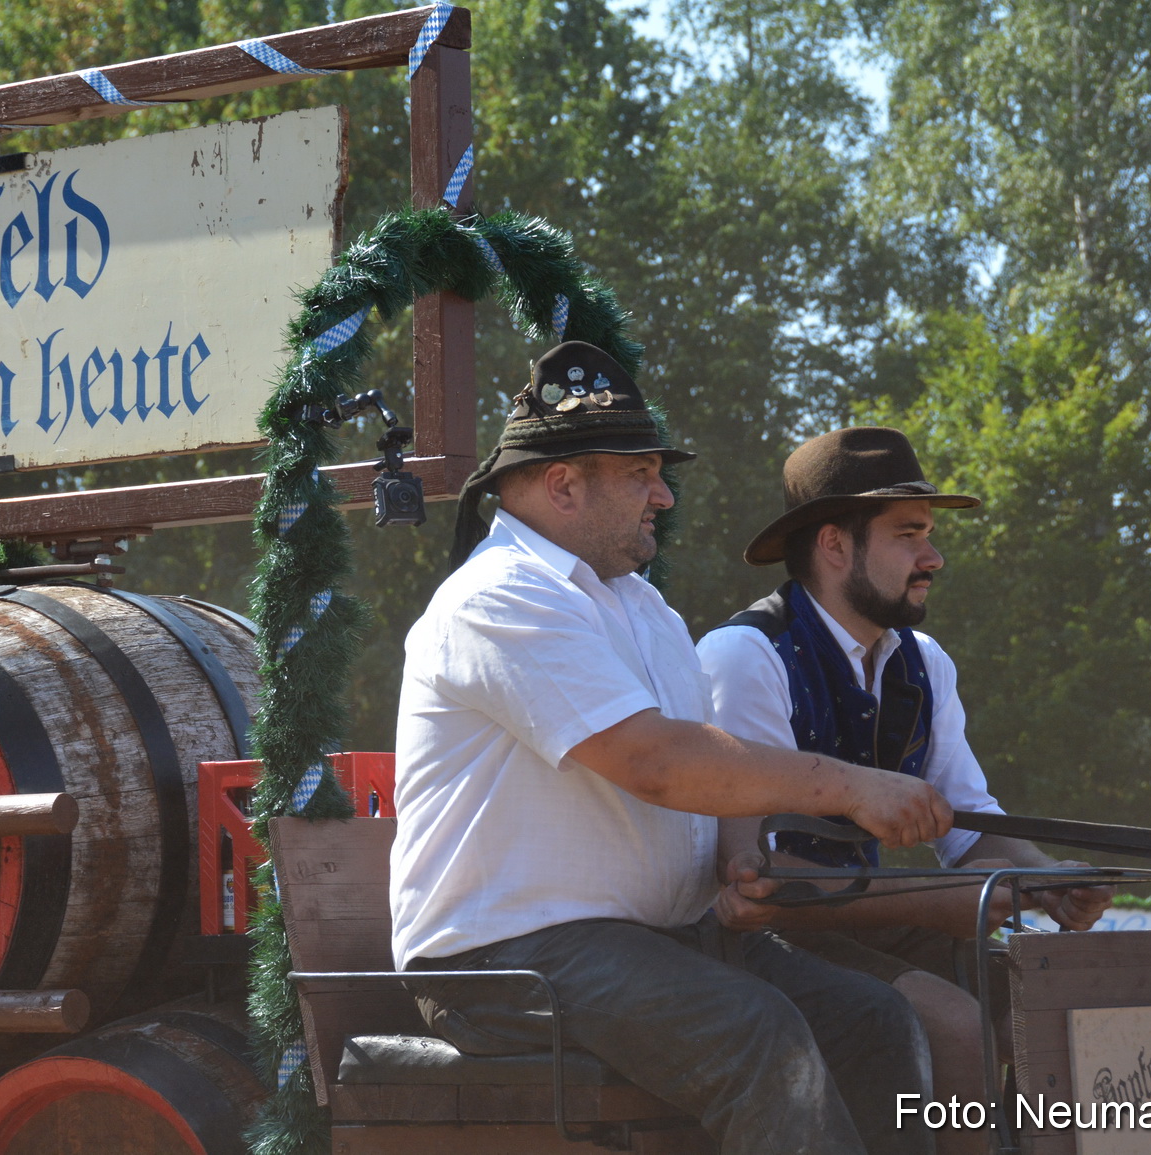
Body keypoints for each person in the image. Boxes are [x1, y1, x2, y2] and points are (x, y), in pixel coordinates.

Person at [392, 344, 950, 1155]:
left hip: (653, 940)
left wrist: (737, 856)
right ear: (563, 485)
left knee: (876, 1018)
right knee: (759, 1033)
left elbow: (707, 767)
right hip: (502, 960)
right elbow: (656, 763)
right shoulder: (498, 596)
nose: (664, 495)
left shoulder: (641, 605)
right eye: (641, 474)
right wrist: (852, 786)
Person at [696, 426, 1114, 1153]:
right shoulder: (746, 656)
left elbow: (971, 827)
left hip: (868, 922)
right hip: (764, 939)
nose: (933, 557)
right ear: (835, 545)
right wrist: (960, 899)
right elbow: (755, 875)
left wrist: (1044, 878)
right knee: (956, 1028)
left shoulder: (925, 662)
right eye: (908, 534)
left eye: (929, 534)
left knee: (1059, 1002)